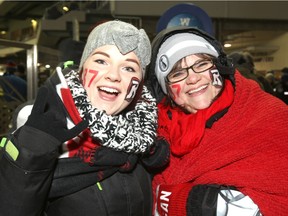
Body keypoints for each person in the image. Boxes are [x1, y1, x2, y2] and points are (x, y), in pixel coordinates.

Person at [0, 20, 169, 216]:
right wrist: (31, 154)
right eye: (101, 61)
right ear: (82, 68)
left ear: (139, 83)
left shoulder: (146, 134)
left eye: (129, 68)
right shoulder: (41, 125)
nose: (113, 75)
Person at [146, 26, 288, 216]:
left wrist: (201, 203)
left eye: (202, 64)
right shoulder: (156, 139)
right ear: (168, 92)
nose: (193, 78)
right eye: (177, 74)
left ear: (220, 67)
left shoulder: (271, 116)